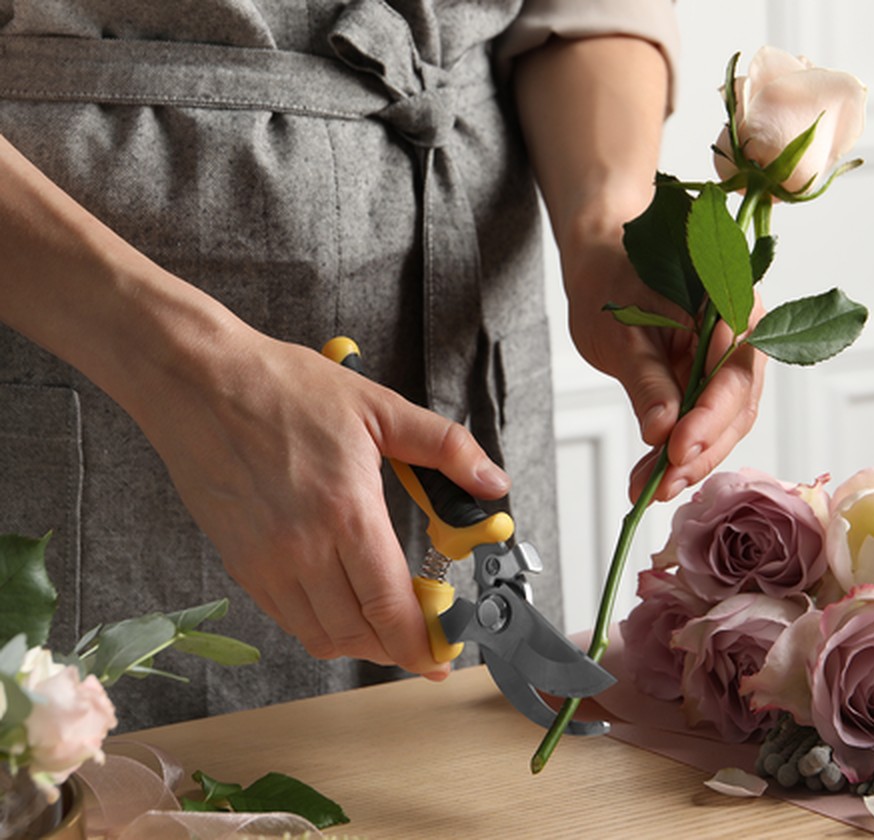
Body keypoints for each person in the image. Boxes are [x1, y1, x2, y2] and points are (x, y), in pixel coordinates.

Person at [0, 0, 764, 730]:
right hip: (79, 348)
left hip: (474, 298)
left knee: (480, 771)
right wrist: (180, 369)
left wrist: (607, 224)